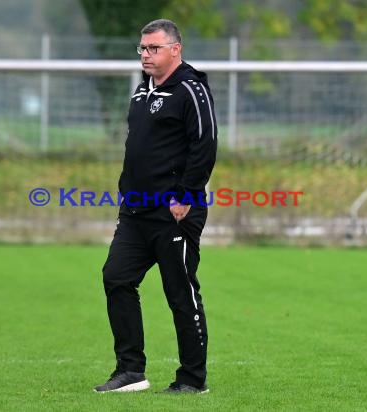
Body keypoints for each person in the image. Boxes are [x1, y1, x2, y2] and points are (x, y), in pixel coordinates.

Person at [94, 19, 217, 394]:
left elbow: (205, 144)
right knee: (116, 277)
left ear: (175, 49)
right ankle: (131, 371)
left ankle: (192, 380)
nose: (146, 55)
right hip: (134, 213)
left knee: (180, 293)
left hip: (174, 212)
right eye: (142, 49)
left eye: (154, 48)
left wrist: (186, 195)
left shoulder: (192, 90)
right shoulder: (141, 91)